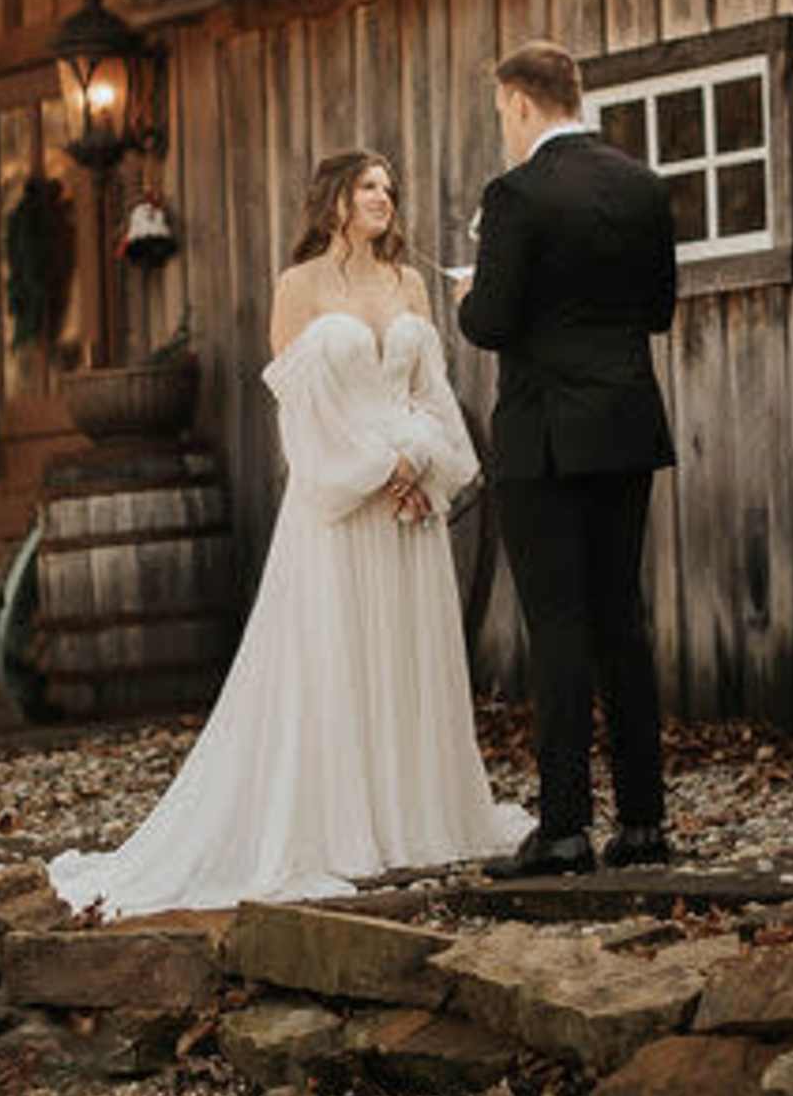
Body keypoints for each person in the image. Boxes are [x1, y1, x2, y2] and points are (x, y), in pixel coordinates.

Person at [47, 149, 529, 916]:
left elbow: (434, 395)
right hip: (340, 508)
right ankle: (341, 825)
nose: (385, 197)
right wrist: (377, 466)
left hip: (409, 509)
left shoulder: (408, 285)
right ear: (335, 199)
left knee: (407, 657)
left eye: (390, 186)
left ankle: (416, 818)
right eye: (370, 185)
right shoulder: (296, 288)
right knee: (338, 659)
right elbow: (301, 415)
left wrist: (422, 461)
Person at [458, 38, 681, 879]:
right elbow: (657, 309)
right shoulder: (642, 185)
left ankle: (563, 828)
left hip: (547, 438)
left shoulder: (515, 195)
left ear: (519, 101)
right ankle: (645, 824)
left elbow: (490, 321)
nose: (503, 128)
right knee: (622, 621)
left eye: (500, 113)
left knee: (558, 629)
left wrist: (468, 288)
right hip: (625, 426)